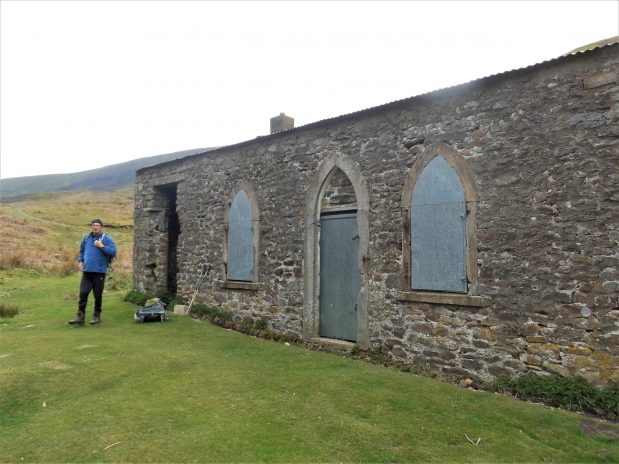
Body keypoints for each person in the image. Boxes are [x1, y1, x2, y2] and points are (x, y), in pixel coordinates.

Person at [69, 219, 117, 326]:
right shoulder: (86, 238)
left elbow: (113, 251)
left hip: (99, 272)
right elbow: (82, 251)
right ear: (91, 226)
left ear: (101, 227)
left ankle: (96, 316)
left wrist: (102, 246)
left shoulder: (105, 238)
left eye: (97, 225)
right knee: (83, 293)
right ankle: (80, 317)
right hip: (87, 272)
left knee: (97, 295)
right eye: (94, 225)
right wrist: (80, 261)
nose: (95, 227)